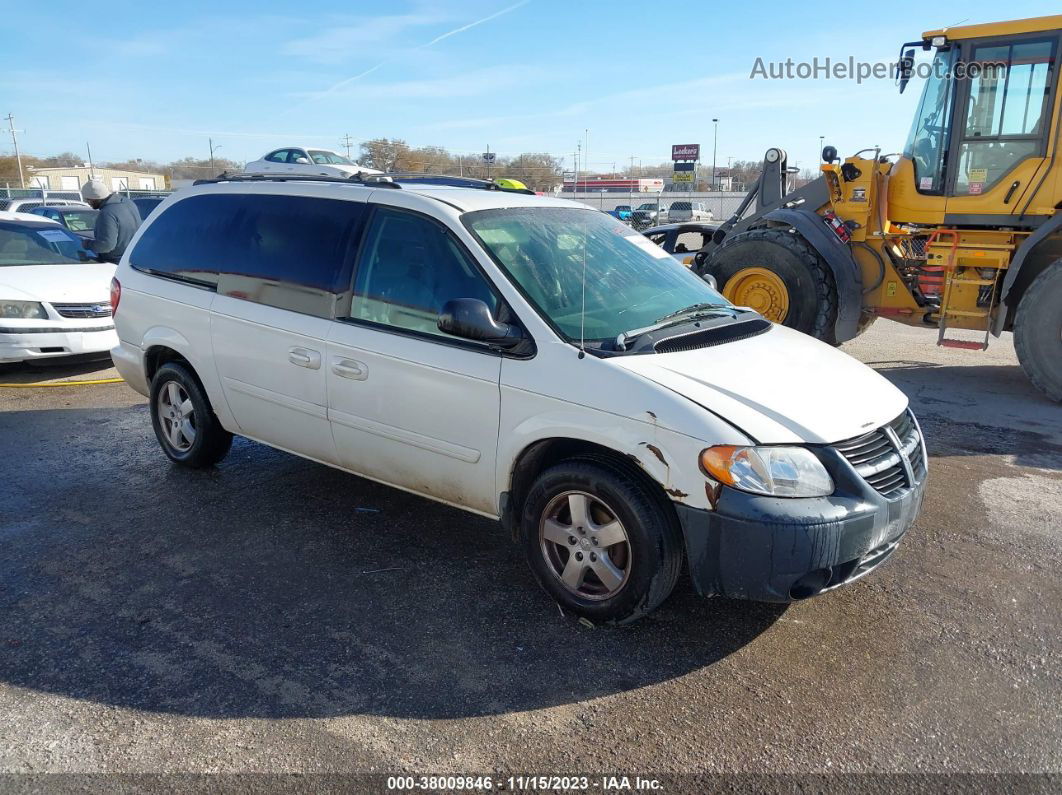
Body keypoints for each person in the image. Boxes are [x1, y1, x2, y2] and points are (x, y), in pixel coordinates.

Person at [81, 179, 142, 263]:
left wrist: (87, 244)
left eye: (88, 200)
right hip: (135, 257)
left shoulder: (107, 213)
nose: (88, 203)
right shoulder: (128, 203)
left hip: (116, 262)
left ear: (94, 198)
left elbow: (106, 245)